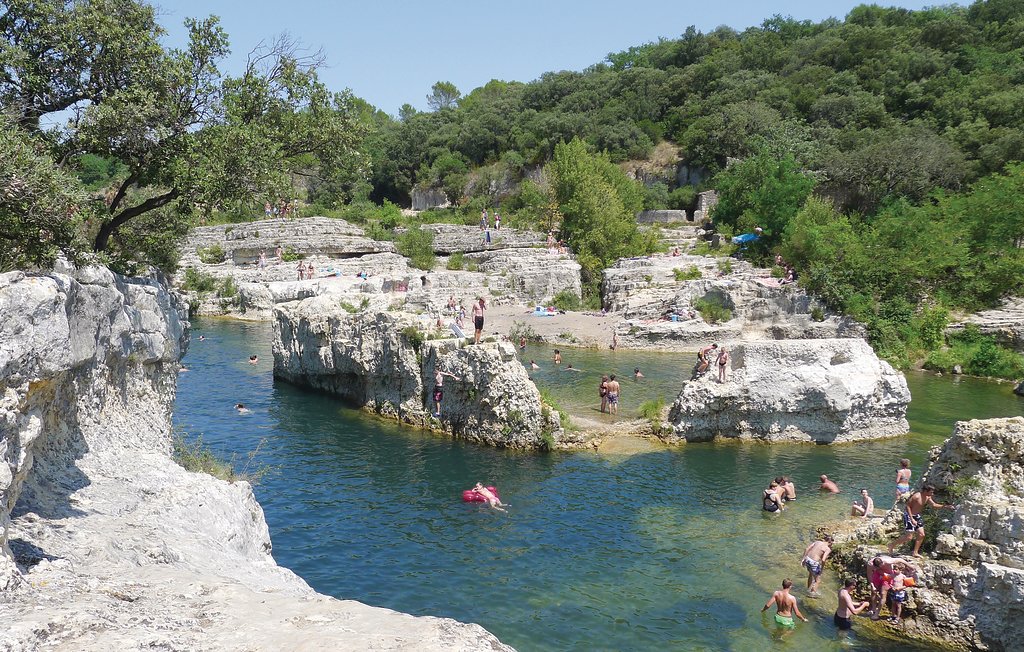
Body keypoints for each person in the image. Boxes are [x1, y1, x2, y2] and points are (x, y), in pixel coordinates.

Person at [888, 484, 954, 557]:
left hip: (917, 516)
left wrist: (945, 506)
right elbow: (908, 506)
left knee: (921, 534)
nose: (932, 494)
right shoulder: (916, 496)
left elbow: (934, 505)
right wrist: (912, 518)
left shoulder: (928, 497)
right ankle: (891, 545)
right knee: (909, 537)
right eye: (931, 492)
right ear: (925, 491)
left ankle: (915, 552)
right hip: (909, 516)